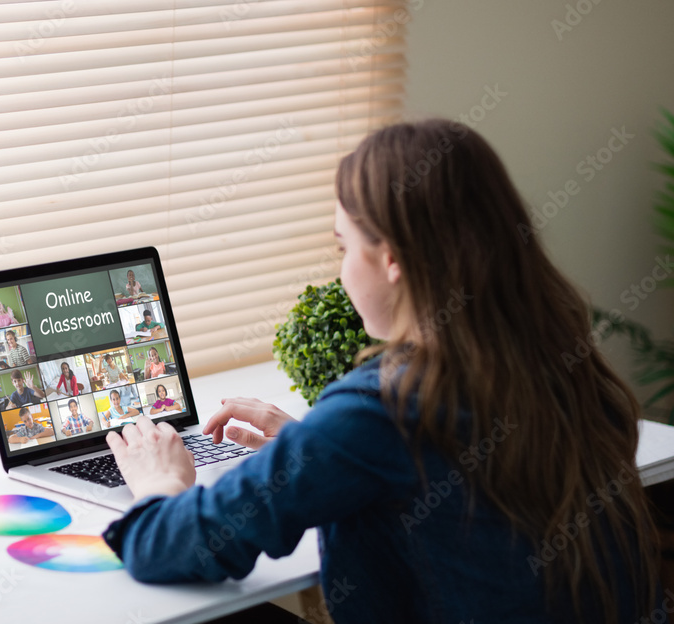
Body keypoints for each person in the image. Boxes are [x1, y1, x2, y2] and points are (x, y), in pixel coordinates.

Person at [101, 119, 660, 624]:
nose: (341, 268)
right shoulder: (562, 363)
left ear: (391, 259)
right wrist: (311, 447)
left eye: (344, 246)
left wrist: (159, 482)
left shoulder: (384, 408)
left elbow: (169, 546)